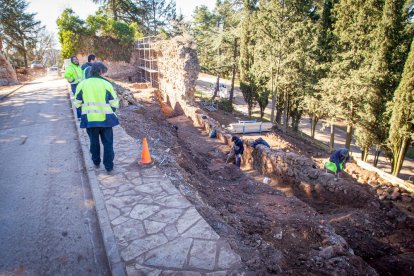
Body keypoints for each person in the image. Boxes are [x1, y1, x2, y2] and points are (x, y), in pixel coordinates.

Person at [74, 62, 119, 172]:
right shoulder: (106, 84)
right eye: (103, 72)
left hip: (90, 120)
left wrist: (85, 112)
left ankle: (96, 161)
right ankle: (109, 166)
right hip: (106, 120)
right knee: (108, 143)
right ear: (100, 71)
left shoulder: (82, 84)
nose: (104, 74)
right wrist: (110, 111)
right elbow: (114, 103)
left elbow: (77, 103)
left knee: (93, 142)